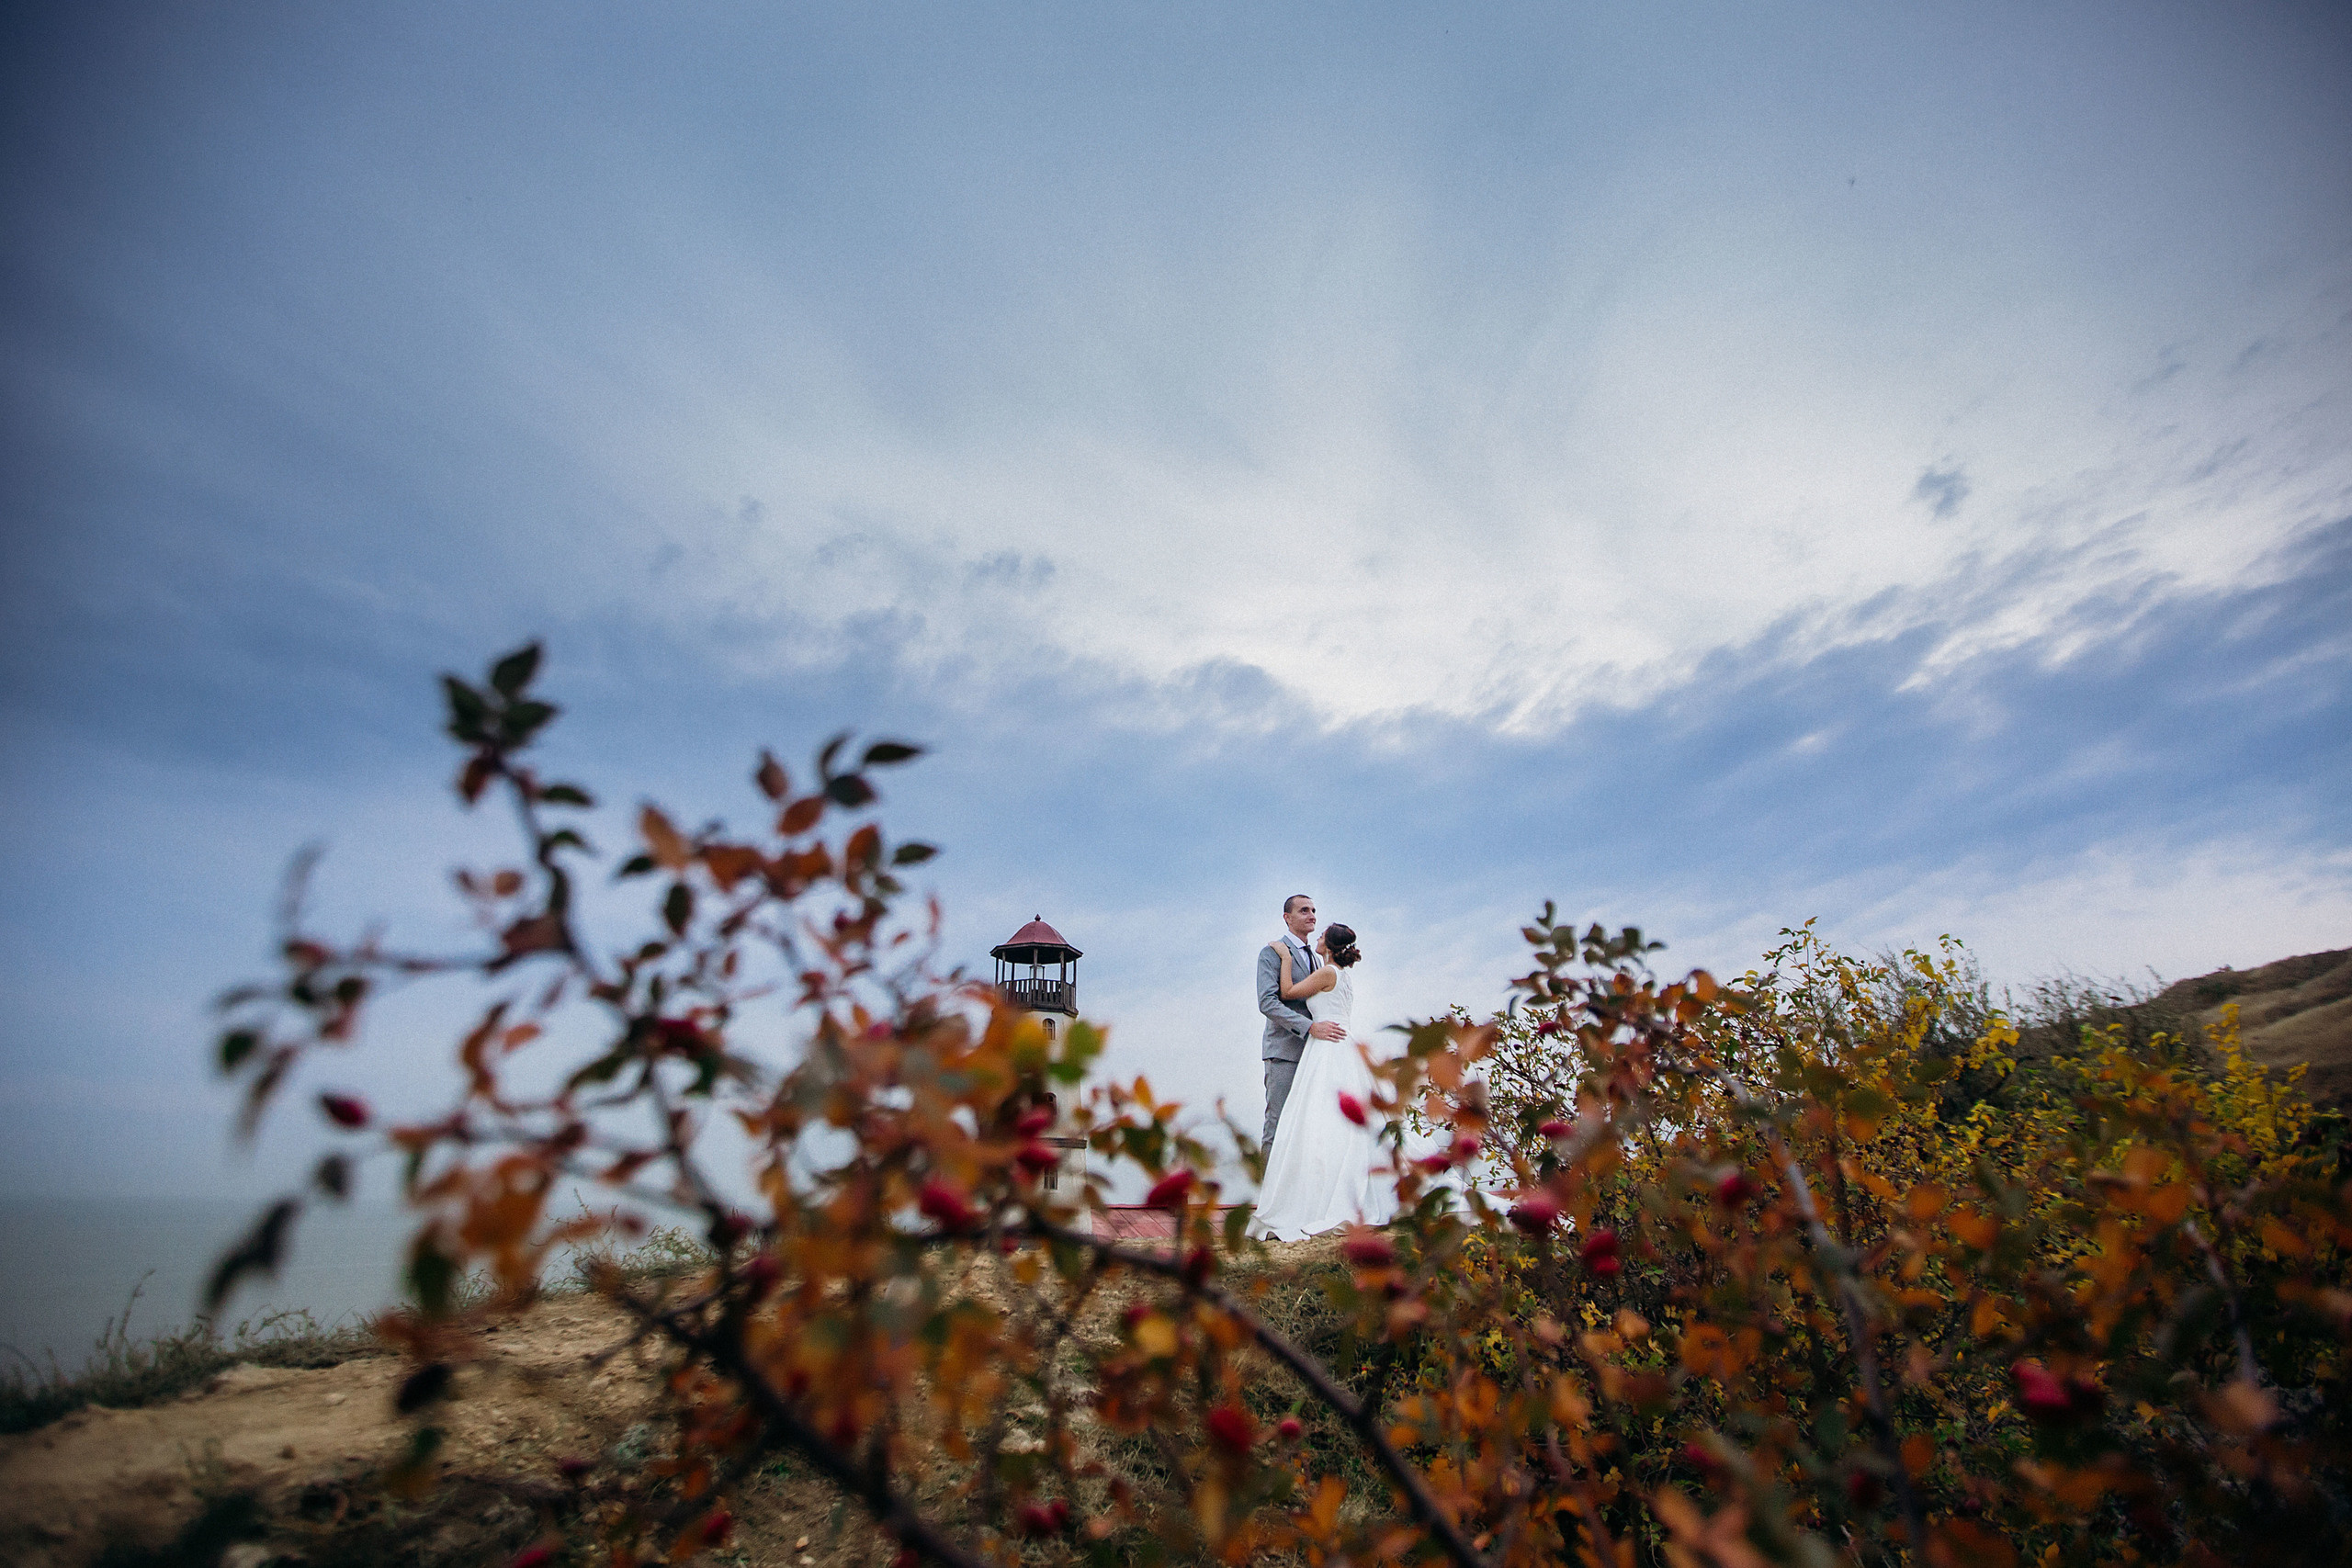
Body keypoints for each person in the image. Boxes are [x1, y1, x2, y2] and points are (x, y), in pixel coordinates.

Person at [1250, 921, 1395, 1241]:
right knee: (1330, 1123)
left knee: (1314, 1121)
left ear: (1328, 945)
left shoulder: (1327, 972)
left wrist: (1285, 958)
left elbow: (1286, 993)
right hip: (1337, 1046)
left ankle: (1314, 1198)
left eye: (1321, 935)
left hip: (1327, 1049)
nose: (1316, 935)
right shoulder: (1339, 974)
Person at [1258, 894, 1347, 1149]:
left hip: (1316, 1055)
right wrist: (1309, 1028)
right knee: (1278, 1125)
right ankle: (1266, 1189)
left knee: (1310, 1128)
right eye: (1304, 910)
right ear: (1287, 917)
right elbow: (1268, 1002)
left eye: (1314, 910)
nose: (1312, 915)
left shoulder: (1319, 959)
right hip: (1285, 1053)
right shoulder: (1271, 953)